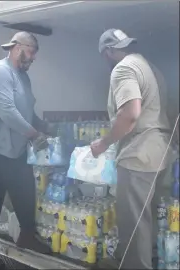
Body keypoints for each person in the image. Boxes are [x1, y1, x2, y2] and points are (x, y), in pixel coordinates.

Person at [91, 29, 171, 269]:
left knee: (134, 224)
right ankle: (150, 260)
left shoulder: (124, 69)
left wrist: (103, 143)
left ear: (108, 52)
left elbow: (130, 113)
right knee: (149, 220)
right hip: (160, 153)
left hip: (139, 156)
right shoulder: (150, 67)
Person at [0, 32, 55, 268]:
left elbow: (26, 111)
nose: (34, 58)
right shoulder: (0, 72)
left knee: (25, 191)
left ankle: (27, 236)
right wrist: (34, 134)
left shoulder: (23, 78)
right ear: (17, 47)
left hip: (15, 149)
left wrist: (43, 126)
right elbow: (8, 112)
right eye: (31, 51)